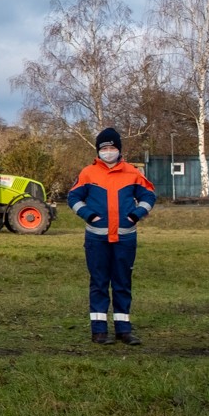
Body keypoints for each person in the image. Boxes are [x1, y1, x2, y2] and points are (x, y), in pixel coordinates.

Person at [65, 127, 156, 346]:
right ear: (98, 151)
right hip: (96, 239)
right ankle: (99, 332)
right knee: (99, 283)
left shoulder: (133, 172)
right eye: (104, 148)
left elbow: (149, 196)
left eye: (112, 147)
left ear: (119, 149)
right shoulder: (88, 173)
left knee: (122, 283)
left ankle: (124, 330)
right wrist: (89, 215)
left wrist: (136, 215)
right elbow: (73, 197)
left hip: (125, 238)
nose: (108, 151)